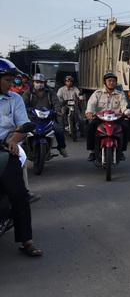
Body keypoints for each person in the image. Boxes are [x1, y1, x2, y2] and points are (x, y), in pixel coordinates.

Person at [0, 58, 43, 257]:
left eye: (12, 80)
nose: (11, 84)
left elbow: (22, 125)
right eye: (8, 80)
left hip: (4, 151)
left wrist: (13, 141)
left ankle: (27, 240)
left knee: (19, 193)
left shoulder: (14, 99)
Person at [85, 73, 130, 161]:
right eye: (109, 81)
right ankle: (92, 151)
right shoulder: (97, 93)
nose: (111, 83)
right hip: (100, 119)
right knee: (89, 128)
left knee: (125, 128)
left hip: (116, 119)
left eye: (113, 81)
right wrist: (89, 112)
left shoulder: (120, 94)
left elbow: (124, 106)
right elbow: (91, 104)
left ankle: (121, 151)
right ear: (105, 82)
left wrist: (127, 112)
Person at [22, 73, 68, 158]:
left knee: (59, 131)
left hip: (48, 118)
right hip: (32, 118)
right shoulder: (28, 93)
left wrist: (58, 110)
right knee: (22, 131)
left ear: (45, 83)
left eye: (41, 82)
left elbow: (56, 102)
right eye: (37, 82)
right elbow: (22, 103)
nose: (39, 84)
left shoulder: (50, 92)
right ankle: (21, 148)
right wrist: (23, 110)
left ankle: (62, 148)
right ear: (33, 82)